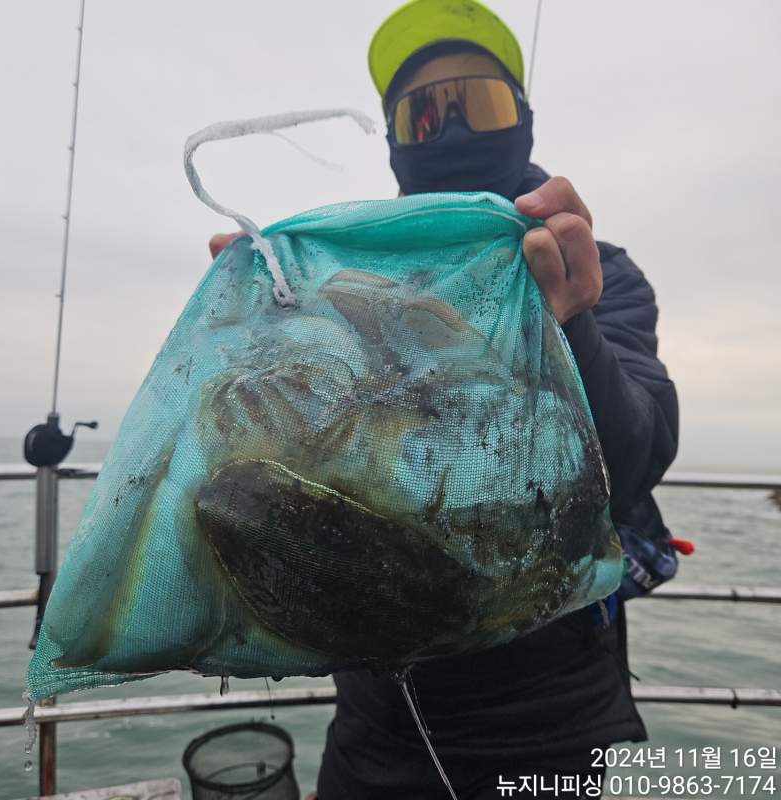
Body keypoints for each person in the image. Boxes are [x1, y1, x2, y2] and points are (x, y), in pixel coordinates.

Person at [210, 2, 679, 797]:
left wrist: (572, 322)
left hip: (563, 722)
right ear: (396, 142)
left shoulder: (597, 270)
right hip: (377, 723)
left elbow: (635, 460)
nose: (453, 131)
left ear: (525, 124)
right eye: (425, 113)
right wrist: (255, 327)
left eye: (481, 103)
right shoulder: (344, 278)